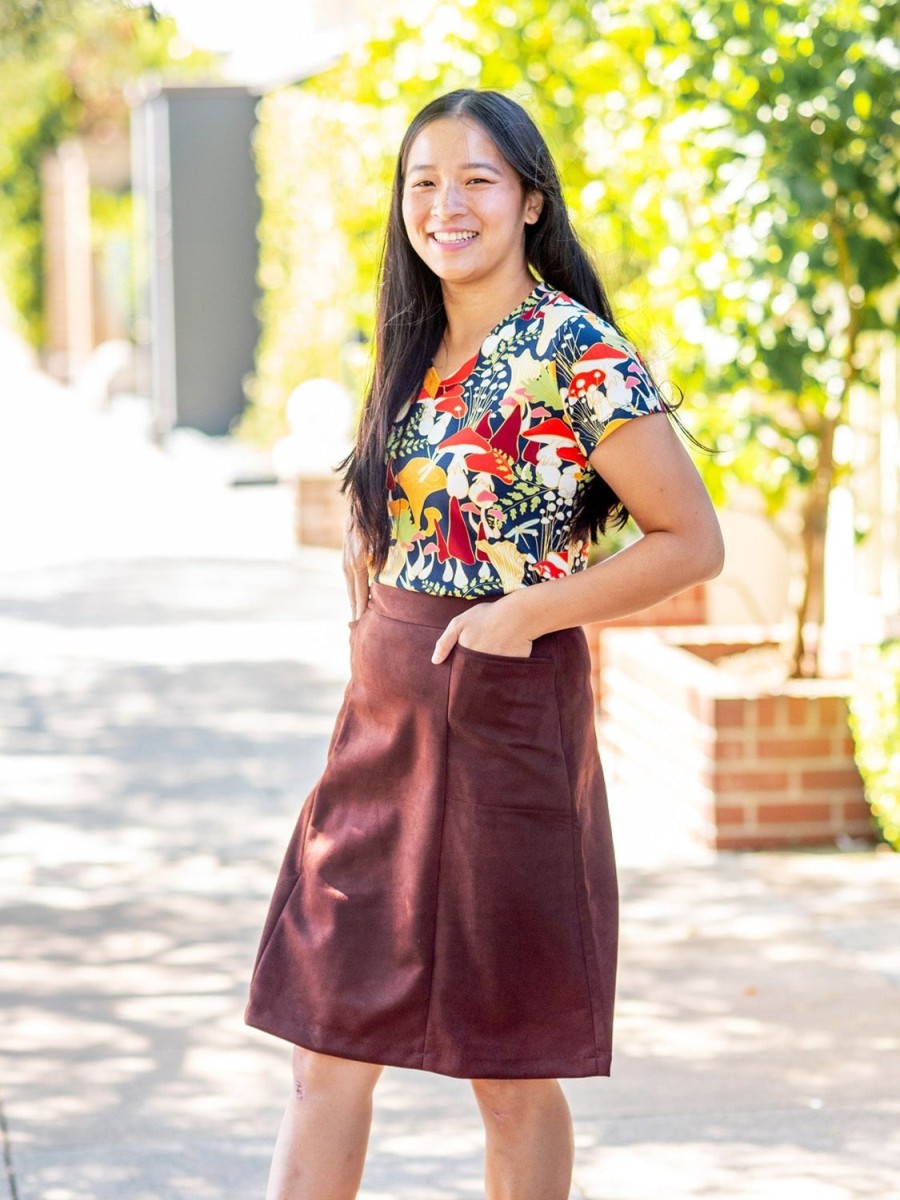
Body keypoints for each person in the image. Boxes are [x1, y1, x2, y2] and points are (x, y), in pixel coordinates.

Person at [245, 88, 724, 1200]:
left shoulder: (572, 348)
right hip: (383, 728)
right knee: (326, 1045)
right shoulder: (409, 342)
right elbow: (389, 516)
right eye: (423, 182)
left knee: (508, 1066)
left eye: (476, 180)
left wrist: (520, 615)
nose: (445, 204)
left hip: (510, 720)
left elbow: (690, 541)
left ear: (529, 201)